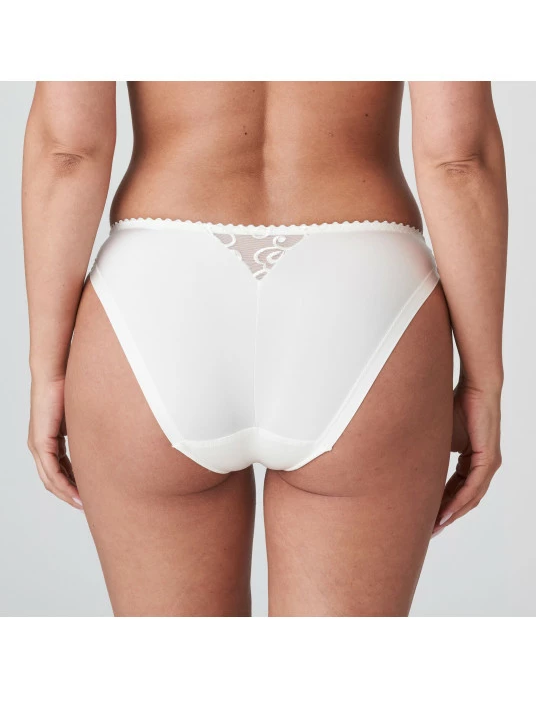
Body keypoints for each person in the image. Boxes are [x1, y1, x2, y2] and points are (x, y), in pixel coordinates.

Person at [22, 82, 507, 616]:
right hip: (360, 288)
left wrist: (47, 371)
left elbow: (68, 151)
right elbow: (458, 159)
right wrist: (483, 381)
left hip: (159, 288)